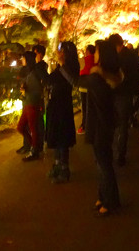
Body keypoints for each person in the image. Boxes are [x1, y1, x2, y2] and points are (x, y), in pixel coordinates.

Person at [84, 39, 123, 217]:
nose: (95, 55)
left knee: (104, 164)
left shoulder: (97, 79)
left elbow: (78, 82)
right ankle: (103, 196)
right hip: (107, 125)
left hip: (100, 126)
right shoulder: (112, 76)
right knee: (102, 163)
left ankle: (111, 201)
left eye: (97, 51)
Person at [109, 33, 139, 166]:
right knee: (123, 125)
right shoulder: (132, 55)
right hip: (128, 93)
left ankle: (118, 154)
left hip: (119, 93)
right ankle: (121, 155)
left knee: (118, 125)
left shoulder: (118, 58)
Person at [45, 41, 80, 183]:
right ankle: (57, 165)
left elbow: (72, 81)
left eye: (61, 51)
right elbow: (49, 79)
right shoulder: (62, 66)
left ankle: (64, 169)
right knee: (56, 136)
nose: (59, 53)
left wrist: (61, 65)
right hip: (55, 105)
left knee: (62, 138)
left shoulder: (71, 66)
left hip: (63, 106)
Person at [16, 51, 45, 161]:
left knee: (33, 128)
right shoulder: (29, 72)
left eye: (23, 58)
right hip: (28, 103)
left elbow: (37, 89)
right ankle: (34, 146)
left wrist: (25, 91)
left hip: (32, 103)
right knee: (21, 127)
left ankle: (34, 150)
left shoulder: (33, 73)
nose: (22, 60)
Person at [77, 44, 96, 135]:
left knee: (85, 108)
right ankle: (93, 126)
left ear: (88, 51)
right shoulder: (97, 60)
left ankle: (84, 126)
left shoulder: (83, 60)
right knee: (92, 107)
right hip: (94, 88)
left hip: (84, 88)